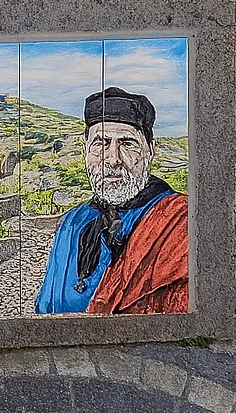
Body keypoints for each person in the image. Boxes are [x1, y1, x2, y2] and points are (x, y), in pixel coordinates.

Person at [35, 85, 188, 315]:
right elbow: (45, 308)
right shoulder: (72, 221)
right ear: (85, 149)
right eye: (101, 143)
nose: (113, 159)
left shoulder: (179, 219)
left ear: (150, 150)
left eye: (127, 144)